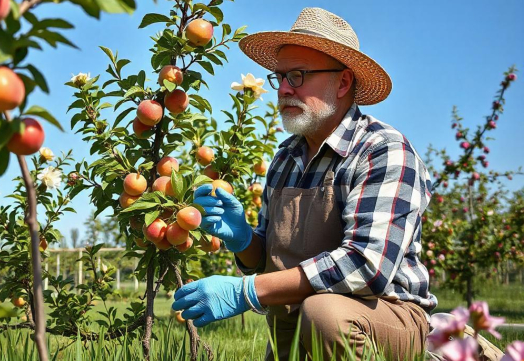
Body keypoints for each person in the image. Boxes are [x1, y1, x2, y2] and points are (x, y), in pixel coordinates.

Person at [171, 7, 438, 361]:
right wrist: (246, 240)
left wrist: (245, 291)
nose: (282, 89)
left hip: (382, 319)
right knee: (317, 315)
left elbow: (366, 266)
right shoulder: (284, 159)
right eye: (279, 77)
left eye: (297, 75)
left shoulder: (383, 151)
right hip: (296, 326)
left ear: (343, 82)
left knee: (324, 315)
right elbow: (270, 264)